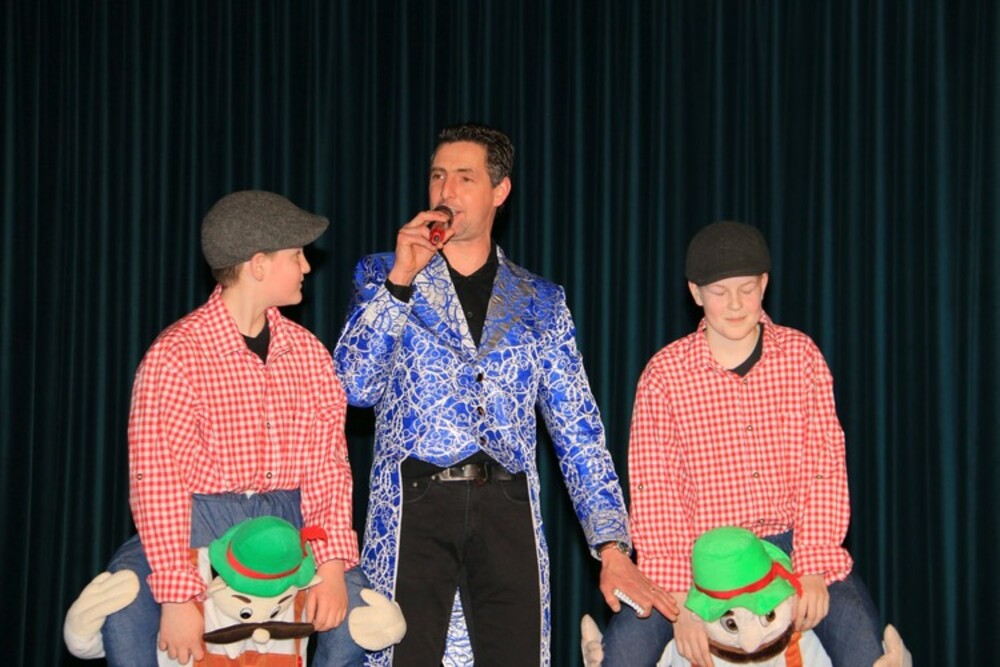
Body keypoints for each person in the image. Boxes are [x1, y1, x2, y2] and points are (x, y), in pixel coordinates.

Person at [333, 122, 677, 666]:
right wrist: (400, 282)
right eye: (438, 176)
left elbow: (578, 429)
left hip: (507, 505)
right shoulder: (383, 274)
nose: (446, 191)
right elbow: (353, 387)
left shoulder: (540, 299)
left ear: (500, 190)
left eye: (464, 178)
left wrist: (612, 546)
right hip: (415, 501)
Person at [100, 190, 365, 666]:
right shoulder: (177, 355)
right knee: (124, 620)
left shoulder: (308, 354)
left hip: (290, 523)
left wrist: (329, 564)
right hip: (197, 521)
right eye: (296, 255)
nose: (307, 267)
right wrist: (178, 596)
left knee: (356, 623)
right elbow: (157, 481)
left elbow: (328, 468)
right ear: (258, 264)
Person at [600, 221, 884, 666]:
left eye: (747, 289)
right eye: (719, 291)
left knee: (864, 647)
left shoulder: (802, 358)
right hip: (700, 556)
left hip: (789, 545)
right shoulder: (665, 375)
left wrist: (812, 566)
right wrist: (681, 599)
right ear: (695, 292)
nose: (734, 304)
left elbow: (824, 467)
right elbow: (656, 489)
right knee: (623, 654)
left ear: (764, 285)